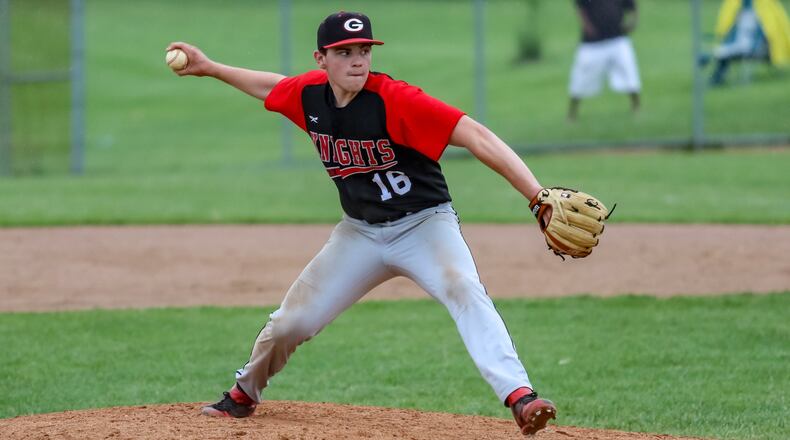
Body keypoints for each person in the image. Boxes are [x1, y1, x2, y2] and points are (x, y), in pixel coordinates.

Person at [168, 11, 557, 436]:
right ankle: (243, 394)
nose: (357, 60)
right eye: (345, 52)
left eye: (364, 50)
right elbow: (270, 86)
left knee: (462, 287)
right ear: (322, 59)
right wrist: (209, 68)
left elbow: (476, 135)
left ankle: (520, 396)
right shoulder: (310, 96)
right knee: (292, 322)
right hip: (360, 233)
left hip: (425, 225)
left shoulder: (394, 98)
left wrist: (536, 196)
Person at [568, 0, 641, 121]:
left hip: (617, 38)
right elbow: (580, 8)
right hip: (592, 42)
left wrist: (633, 22)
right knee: (580, 77)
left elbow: (632, 6)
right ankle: (572, 113)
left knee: (629, 72)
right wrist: (586, 26)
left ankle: (636, 107)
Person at [705, 0, 790, 86]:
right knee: (722, 51)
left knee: (724, 52)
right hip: (741, 46)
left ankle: (717, 77)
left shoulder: (763, 10)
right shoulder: (740, 13)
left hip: (753, 48)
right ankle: (717, 77)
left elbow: (771, 31)